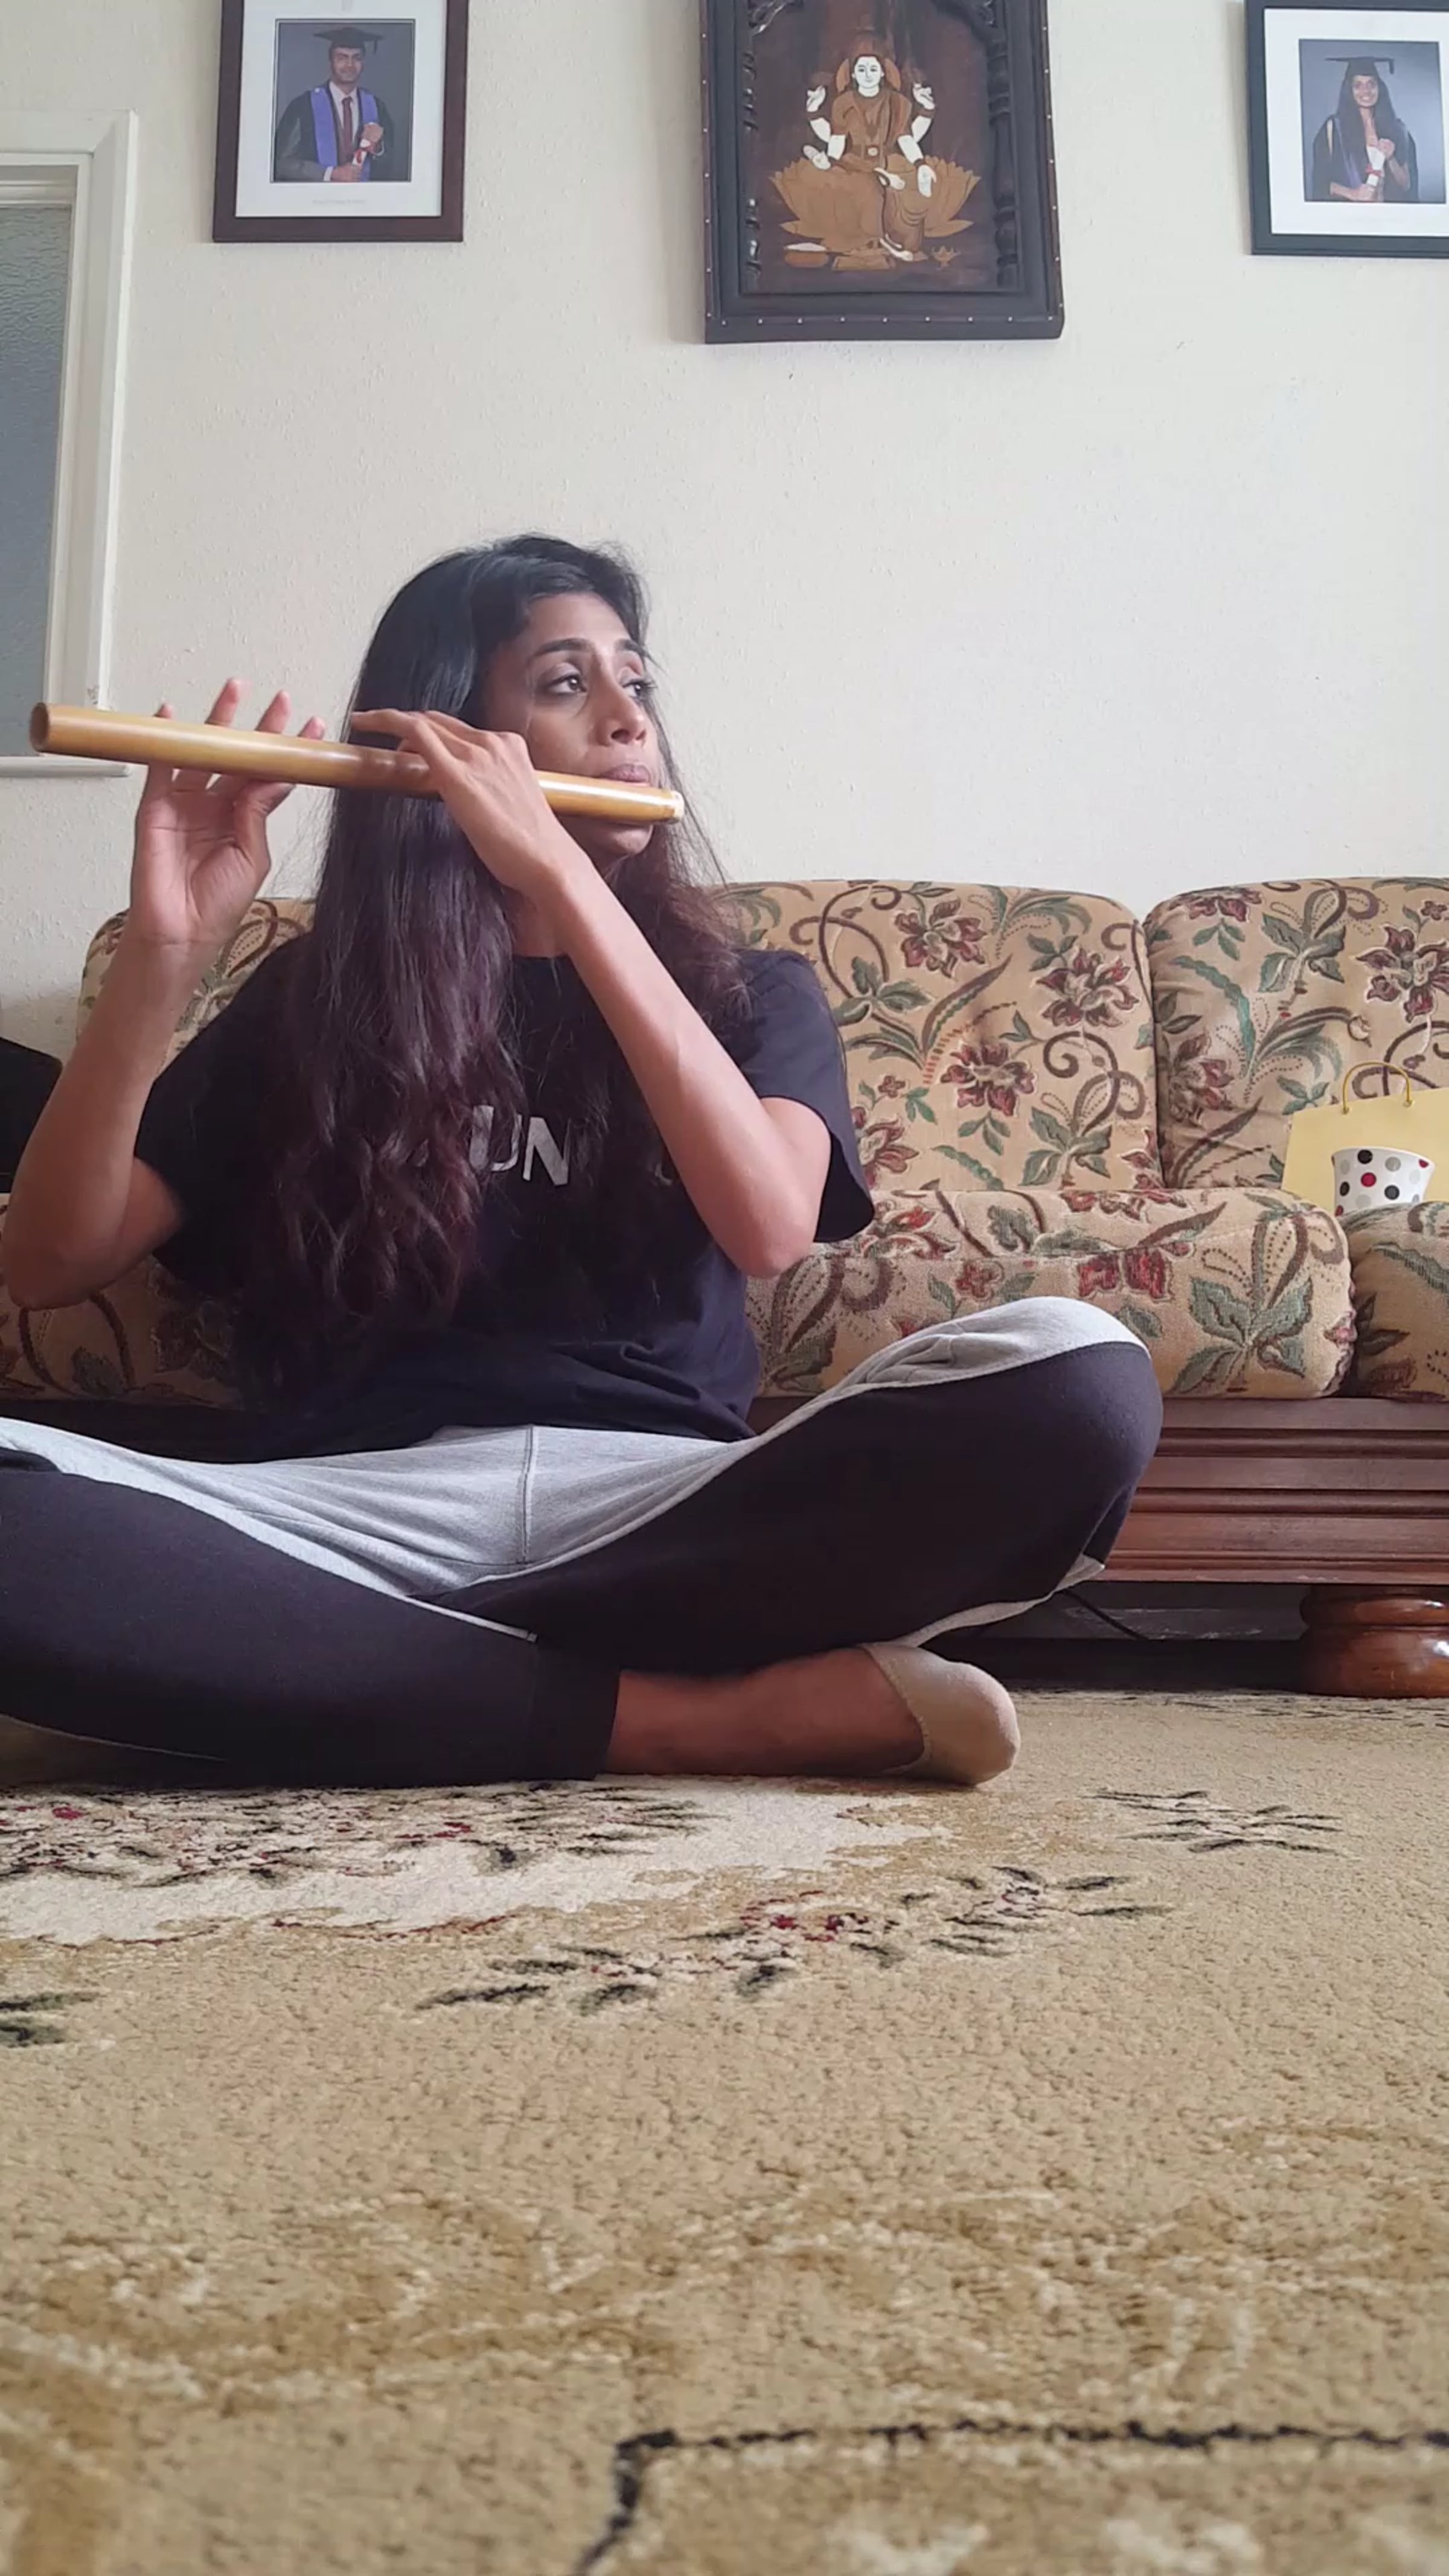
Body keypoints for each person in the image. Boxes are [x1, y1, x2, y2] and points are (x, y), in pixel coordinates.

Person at [0, 537, 1161, 1789]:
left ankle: (343, 1677)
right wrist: (165, 958)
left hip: (669, 1516)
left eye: (636, 681)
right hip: (356, 1518)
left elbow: (770, 1223)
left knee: (1082, 1375)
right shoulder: (313, 999)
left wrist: (558, 873)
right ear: (450, 741)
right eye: (566, 682)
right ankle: (683, 1718)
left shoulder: (752, 994)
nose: (627, 719)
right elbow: (50, 1259)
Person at [273, 24, 399, 187]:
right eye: (342, 57)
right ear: (331, 61)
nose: (350, 65)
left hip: (363, 199)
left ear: (363, 63)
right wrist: (330, 174)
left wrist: (378, 149)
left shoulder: (376, 107)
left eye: (357, 58)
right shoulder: (303, 106)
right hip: (316, 198)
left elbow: (390, 167)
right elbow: (282, 164)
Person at [1310, 59, 1419, 203]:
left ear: (1380, 88)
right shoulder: (1334, 129)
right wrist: (1353, 194)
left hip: (1388, 213)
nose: (1366, 91)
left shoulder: (1397, 129)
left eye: (1371, 84)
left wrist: (1391, 158)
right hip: (1351, 214)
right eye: (1358, 85)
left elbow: (1406, 186)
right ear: (1349, 90)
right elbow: (1321, 183)